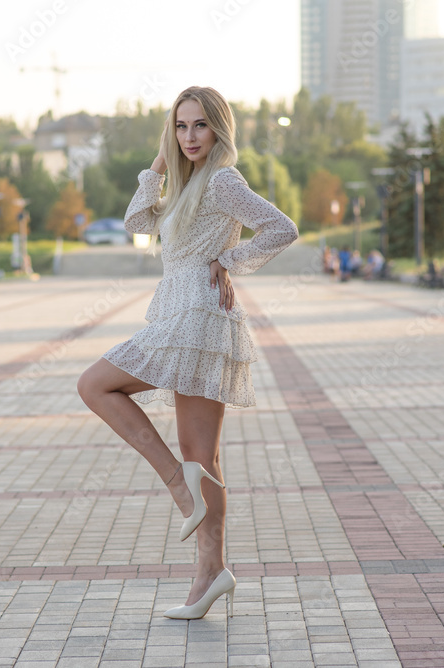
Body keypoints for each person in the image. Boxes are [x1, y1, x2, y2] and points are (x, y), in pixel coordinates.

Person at [76, 86, 298, 620]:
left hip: (197, 315)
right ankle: (210, 571)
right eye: (180, 126)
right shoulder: (186, 183)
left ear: (218, 129)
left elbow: (283, 227)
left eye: (199, 126)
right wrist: (156, 167)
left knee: (94, 384)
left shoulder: (223, 180)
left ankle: (180, 487)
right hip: (184, 314)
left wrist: (229, 258)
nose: (190, 136)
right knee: (206, 458)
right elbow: (135, 221)